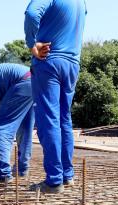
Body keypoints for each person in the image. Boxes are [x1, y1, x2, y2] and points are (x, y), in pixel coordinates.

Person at [24, 0, 87, 193]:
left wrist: (32, 45)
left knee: (48, 120)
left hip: (50, 61)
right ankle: (67, 175)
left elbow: (32, 14)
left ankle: (54, 180)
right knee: (64, 120)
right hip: (72, 64)